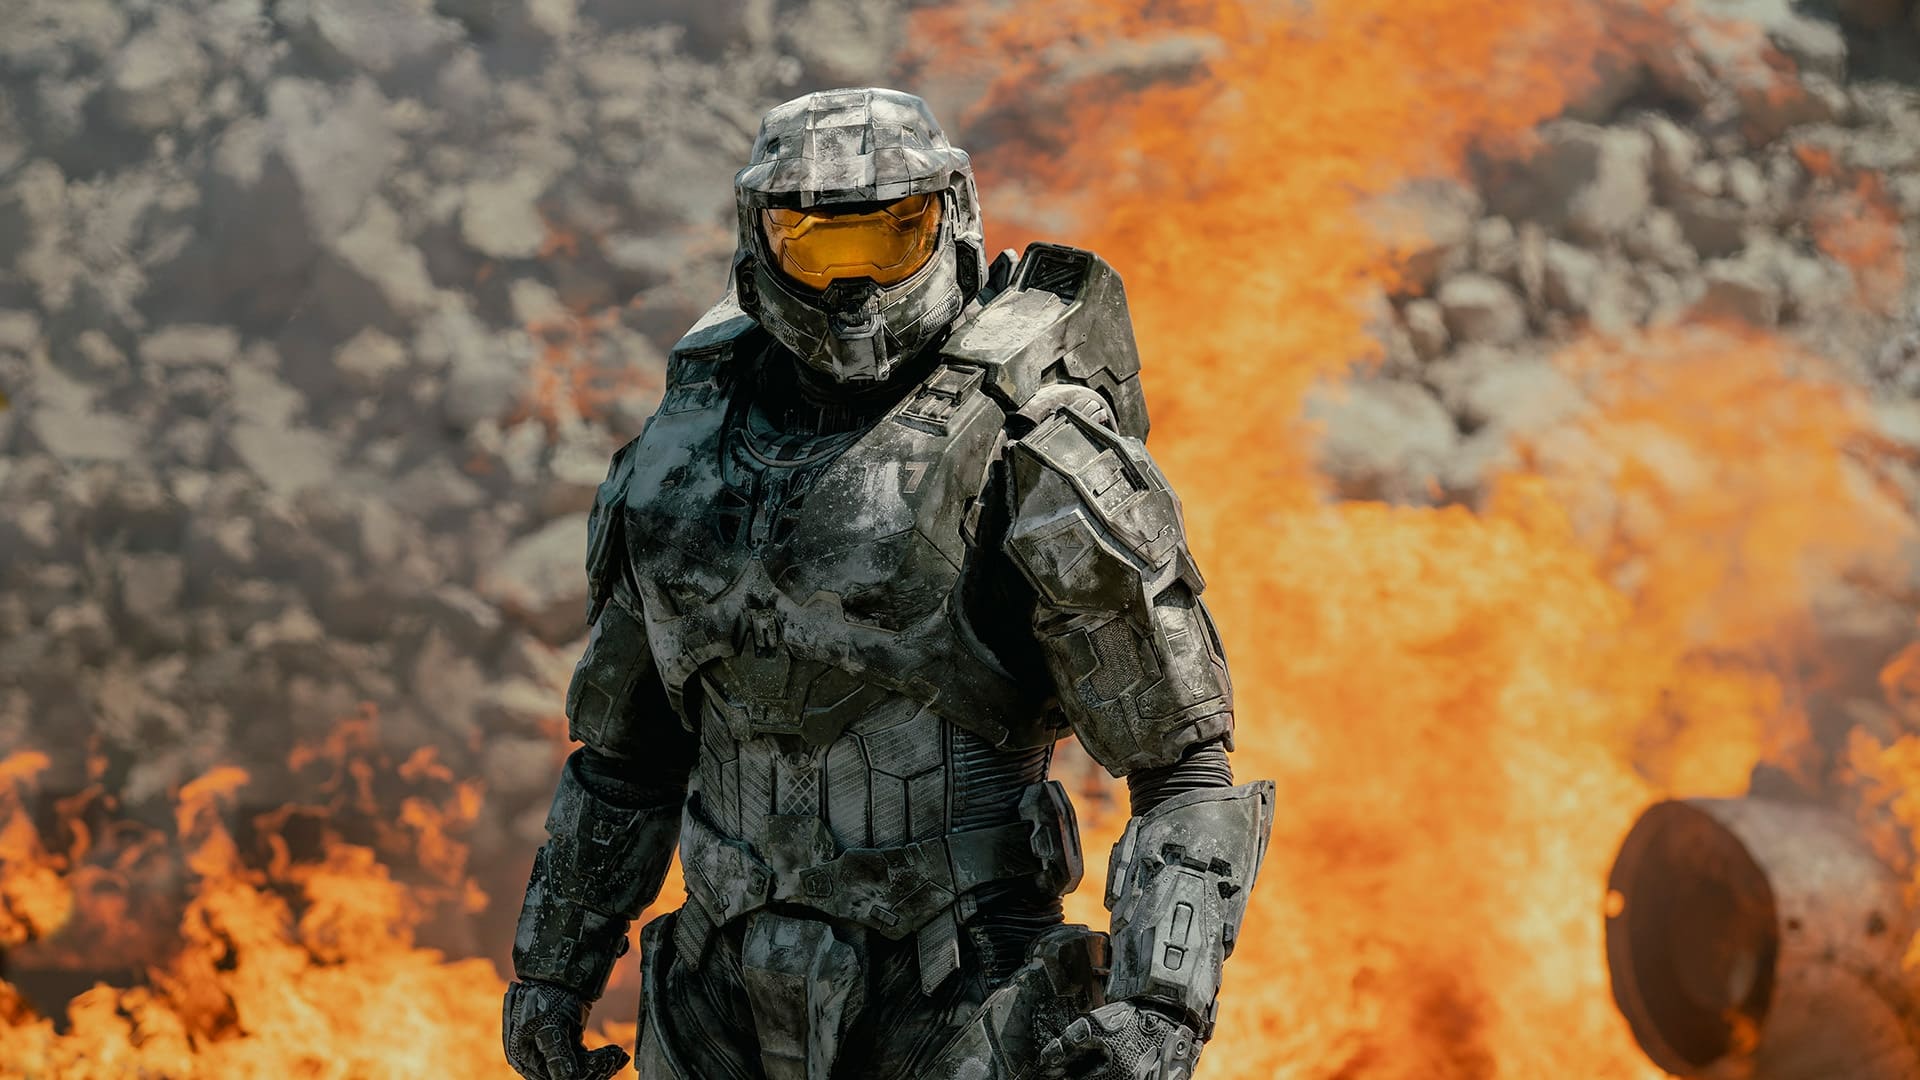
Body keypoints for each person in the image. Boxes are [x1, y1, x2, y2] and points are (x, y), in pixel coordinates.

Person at [501, 86, 1272, 1080]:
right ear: (758, 238)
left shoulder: (1033, 446)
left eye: (890, 235)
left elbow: (1183, 764)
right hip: (714, 996)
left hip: (958, 988)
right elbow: (624, 758)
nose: (852, 285)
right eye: (816, 245)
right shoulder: (679, 459)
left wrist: (1163, 1003)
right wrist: (554, 973)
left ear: (949, 221)